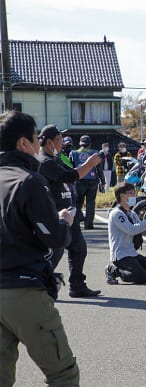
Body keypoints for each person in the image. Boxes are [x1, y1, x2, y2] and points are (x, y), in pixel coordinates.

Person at [0, 111, 80, 386]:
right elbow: (55, 238)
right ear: (24, 144)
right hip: (23, 289)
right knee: (63, 373)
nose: (38, 145)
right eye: (36, 139)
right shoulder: (29, 181)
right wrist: (64, 222)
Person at [37, 124, 103, 298]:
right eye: (59, 139)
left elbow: (71, 172)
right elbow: (70, 176)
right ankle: (37, 287)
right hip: (56, 215)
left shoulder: (57, 157)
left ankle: (77, 286)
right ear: (50, 142)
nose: (63, 142)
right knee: (55, 253)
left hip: (70, 214)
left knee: (78, 248)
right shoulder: (44, 161)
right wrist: (90, 164)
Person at [106, 182, 146, 285]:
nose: (134, 196)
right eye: (131, 193)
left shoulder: (131, 213)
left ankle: (135, 270)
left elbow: (142, 232)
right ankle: (113, 270)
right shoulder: (116, 214)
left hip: (132, 253)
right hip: (121, 256)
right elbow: (132, 230)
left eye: (134, 193)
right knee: (142, 277)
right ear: (122, 196)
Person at [70, 135, 105, 229]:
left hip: (79, 180)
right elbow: (99, 169)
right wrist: (103, 181)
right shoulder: (95, 153)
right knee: (90, 203)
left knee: (77, 202)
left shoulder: (74, 153)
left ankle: (78, 219)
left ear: (80, 143)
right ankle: (88, 224)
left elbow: (71, 167)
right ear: (89, 144)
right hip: (92, 181)